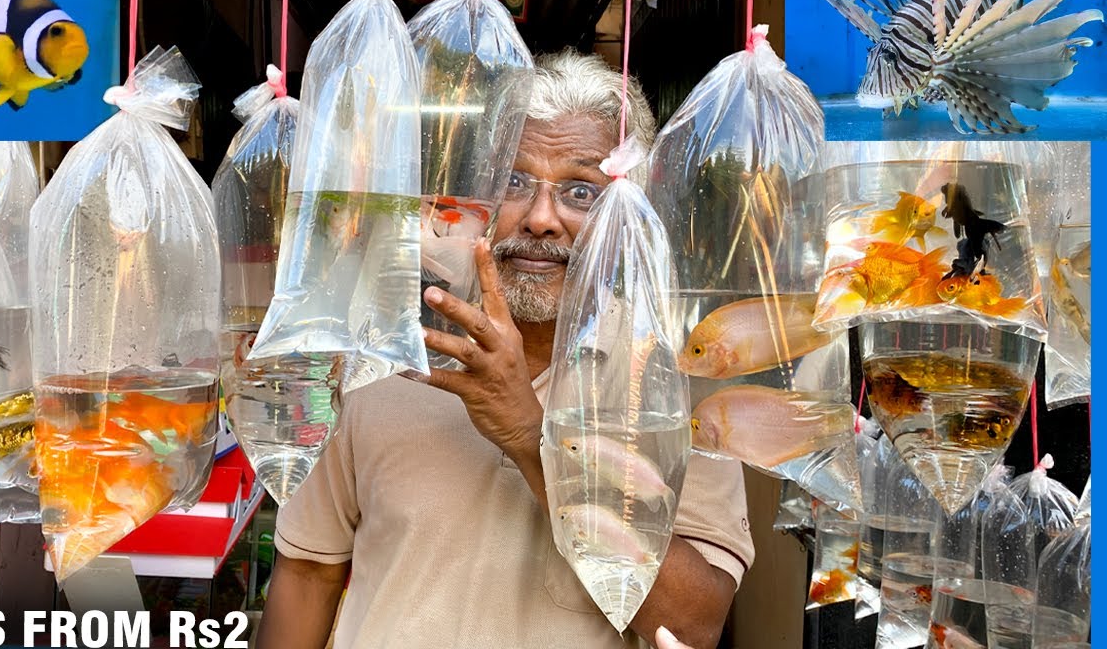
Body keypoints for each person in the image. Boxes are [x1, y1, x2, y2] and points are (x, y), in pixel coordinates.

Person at [255, 50, 754, 649]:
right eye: (513, 182)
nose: (541, 219)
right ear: (477, 193)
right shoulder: (385, 353)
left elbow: (694, 624)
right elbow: (308, 572)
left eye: (582, 192)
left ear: (629, 212)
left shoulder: (676, 379)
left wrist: (531, 438)